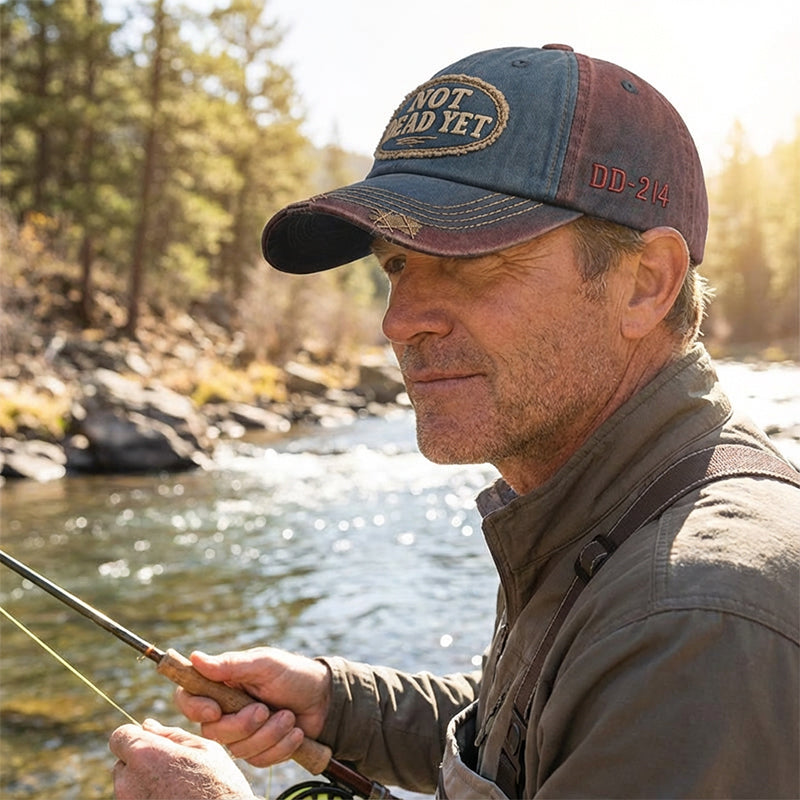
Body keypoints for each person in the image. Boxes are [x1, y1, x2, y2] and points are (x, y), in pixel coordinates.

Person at [109, 44, 800, 799]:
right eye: (396, 265)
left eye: (472, 261)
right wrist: (340, 703)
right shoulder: (609, 511)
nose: (399, 323)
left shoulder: (694, 619)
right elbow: (537, 722)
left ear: (646, 284)